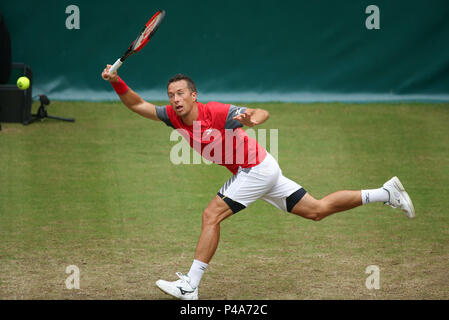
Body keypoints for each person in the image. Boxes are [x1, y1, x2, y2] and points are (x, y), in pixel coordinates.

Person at [101, 66, 415, 300]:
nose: (175, 99)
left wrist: (252, 118)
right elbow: (137, 105)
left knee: (211, 215)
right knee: (316, 210)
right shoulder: (172, 115)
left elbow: (259, 112)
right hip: (261, 169)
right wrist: (117, 81)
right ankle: (386, 192)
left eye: (181, 93)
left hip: (256, 170)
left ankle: (189, 286)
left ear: (194, 95)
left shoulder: (217, 112)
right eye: (171, 95)